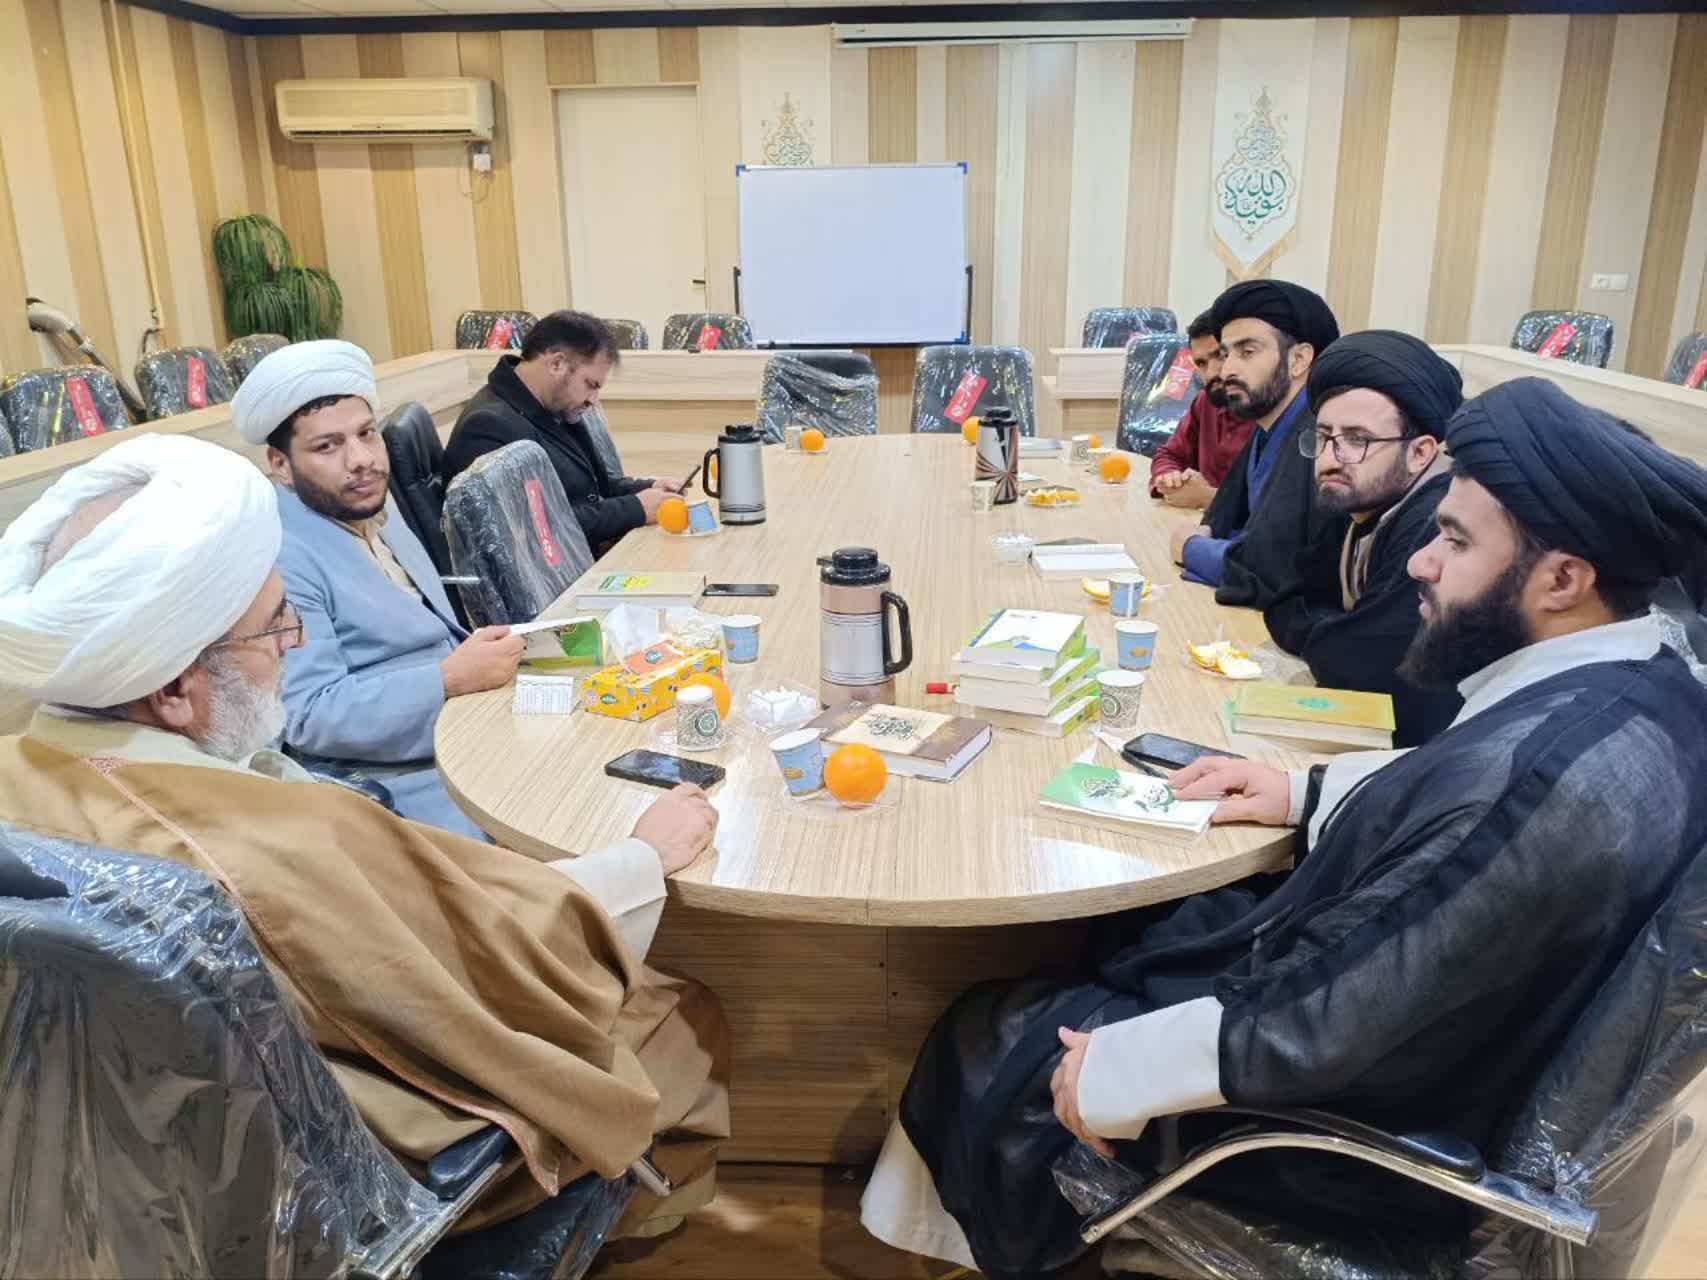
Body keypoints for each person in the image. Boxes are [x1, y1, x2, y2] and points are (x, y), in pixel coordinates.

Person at [863, 377, 1707, 1279]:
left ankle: (941, 1249)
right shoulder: (1646, 680)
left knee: (998, 1030)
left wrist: (1112, 1073)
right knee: (1146, 929)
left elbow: (1326, 1023)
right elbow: (1461, 784)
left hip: (1361, 1148)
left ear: (1563, 579)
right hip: (1468, 1063)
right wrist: (1302, 788)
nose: (1420, 562)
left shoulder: (1528, 794)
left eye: (1455, 541)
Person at [0, 434, 730, 1230]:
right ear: (176, 690)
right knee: (679, 1014)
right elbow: (507, 957)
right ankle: (650, 1218)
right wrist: (641, 858)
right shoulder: (288, 841)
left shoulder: (13, 765)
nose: (295, 644)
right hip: (358, 1162)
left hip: (123, 1184)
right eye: (275, 628)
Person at [231, 340, 520, 839]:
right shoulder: (282, 555)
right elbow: (308, 714)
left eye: (367, 433)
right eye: (327, 446)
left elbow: (427, 623)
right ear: (280, 464)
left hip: (472, 721)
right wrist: (447, 679)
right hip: (409, 780)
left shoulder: (366, 502)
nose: (361, 459)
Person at [1261, 331, 1465, 745]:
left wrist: (1338, 635)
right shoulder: (1356, 500)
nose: (1330, 459)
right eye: (1324, 437)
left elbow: (1367, 667)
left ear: (1421, 453)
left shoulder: (1438, 521)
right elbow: (1283, 602)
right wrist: (1342, 632)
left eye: (1358, 440)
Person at [443, 310, 686, 556]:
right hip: (563, 574)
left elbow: (593, 489)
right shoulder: (488, 426)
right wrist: (635, 509)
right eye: (590, 385)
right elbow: (536, 530)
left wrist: (648, 487)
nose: (593, 400)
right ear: (556, 364)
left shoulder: (553, 407)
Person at [1169, 280, 1343, 608]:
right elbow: (1231, 526)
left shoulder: (1318, 437)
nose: (1227, 370)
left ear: (1299, 359)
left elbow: (1274, 571)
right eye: (1226, 354)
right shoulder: (1268, 426)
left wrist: (1192, 548)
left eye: (1247, 352)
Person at [1148, 310, 1253, 507]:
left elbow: (1283, 507)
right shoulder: (1207, 400)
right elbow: (1169, 455)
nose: (1211, 373)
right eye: (1201, 363)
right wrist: (1169, 477)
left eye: (1220, 356)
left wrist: (1208, 497)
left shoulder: (1275, 411)